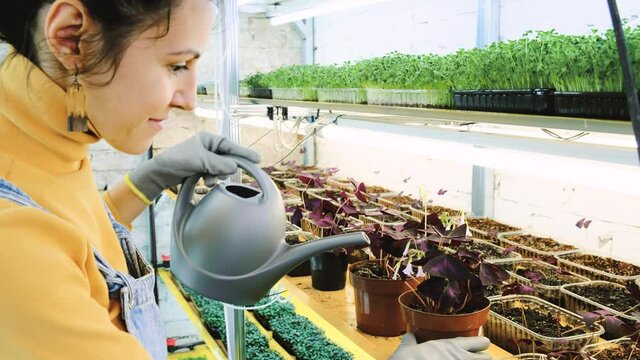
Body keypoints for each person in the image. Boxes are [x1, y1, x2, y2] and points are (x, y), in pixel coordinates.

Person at [0, 1, 491, 359]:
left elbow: (76, 233)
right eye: (176, 65)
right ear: (72, 38)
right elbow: (42, 244)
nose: (190, 99)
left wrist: (149, 180)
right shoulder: (14, 248)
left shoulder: (51, 143)